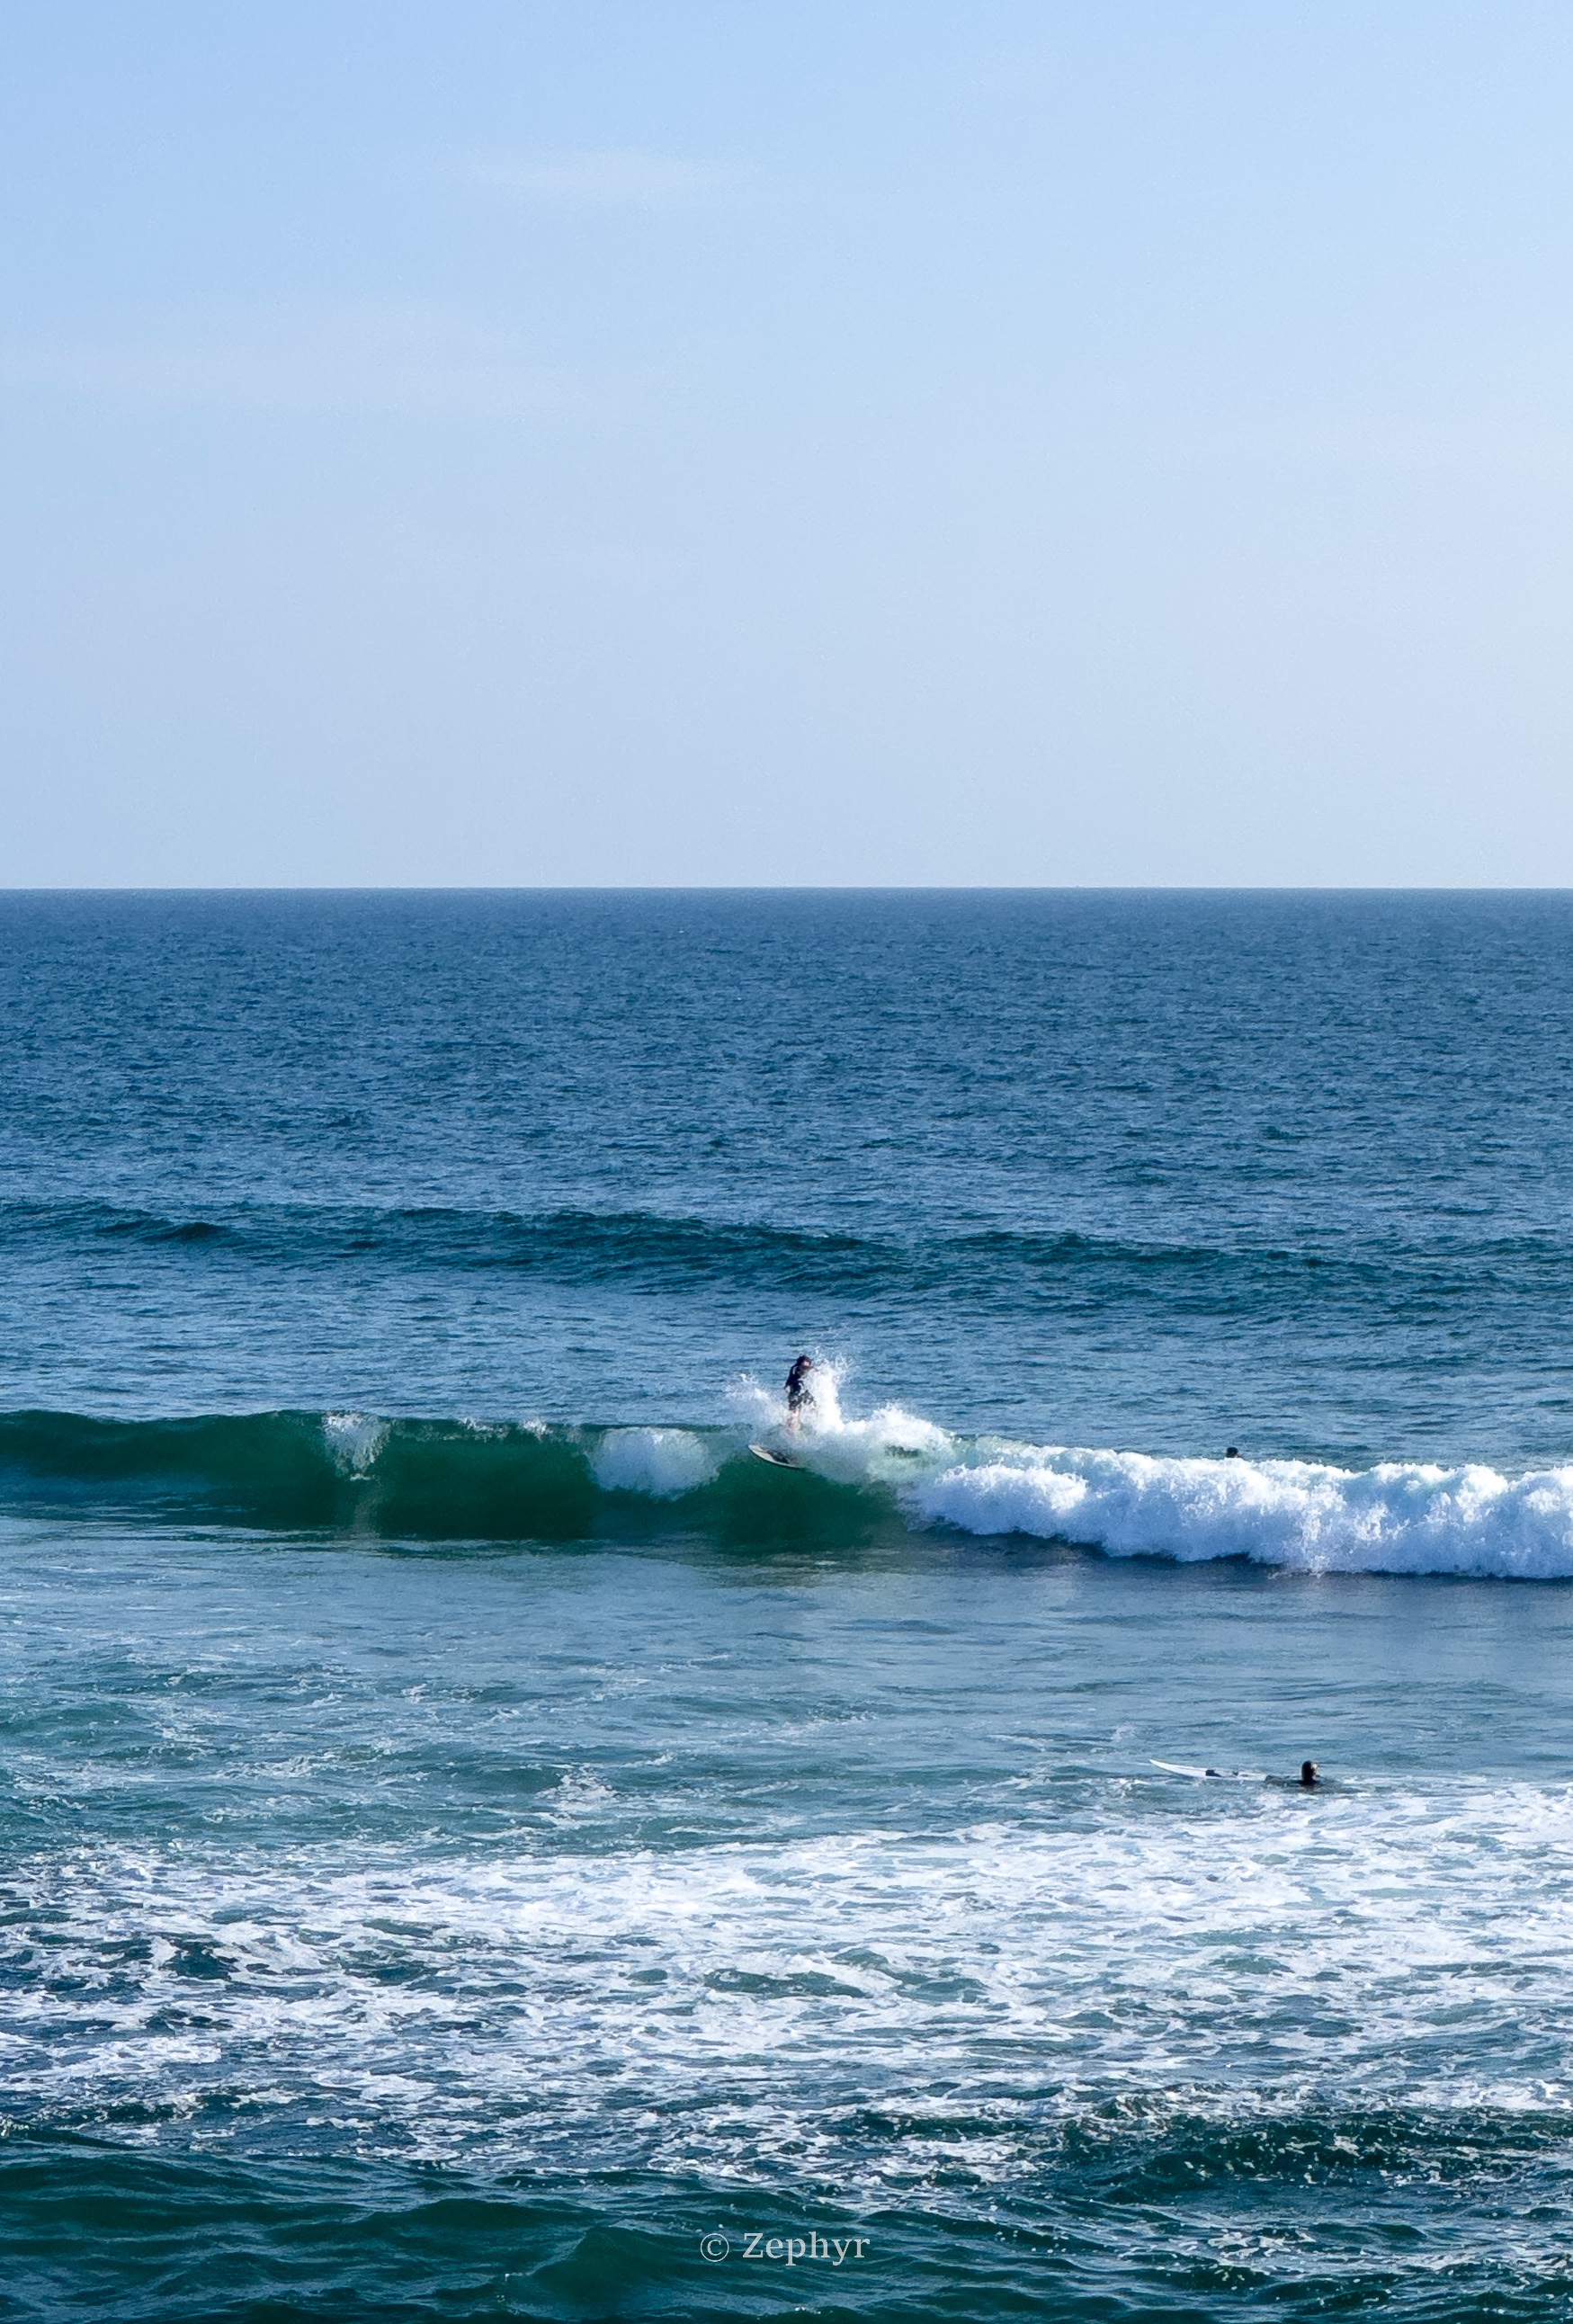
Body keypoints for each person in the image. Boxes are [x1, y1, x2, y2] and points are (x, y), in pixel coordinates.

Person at [785, 1354, 816, 1433]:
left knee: (814, 1406)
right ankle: (790, 1431)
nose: (806, 1369)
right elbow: (792, 1378)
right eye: (804, 1367)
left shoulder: (808, 1371)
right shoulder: (795, 1369)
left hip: (804, 1393)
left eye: (807, 1367)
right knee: (794, 1414)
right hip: (795, 1394)